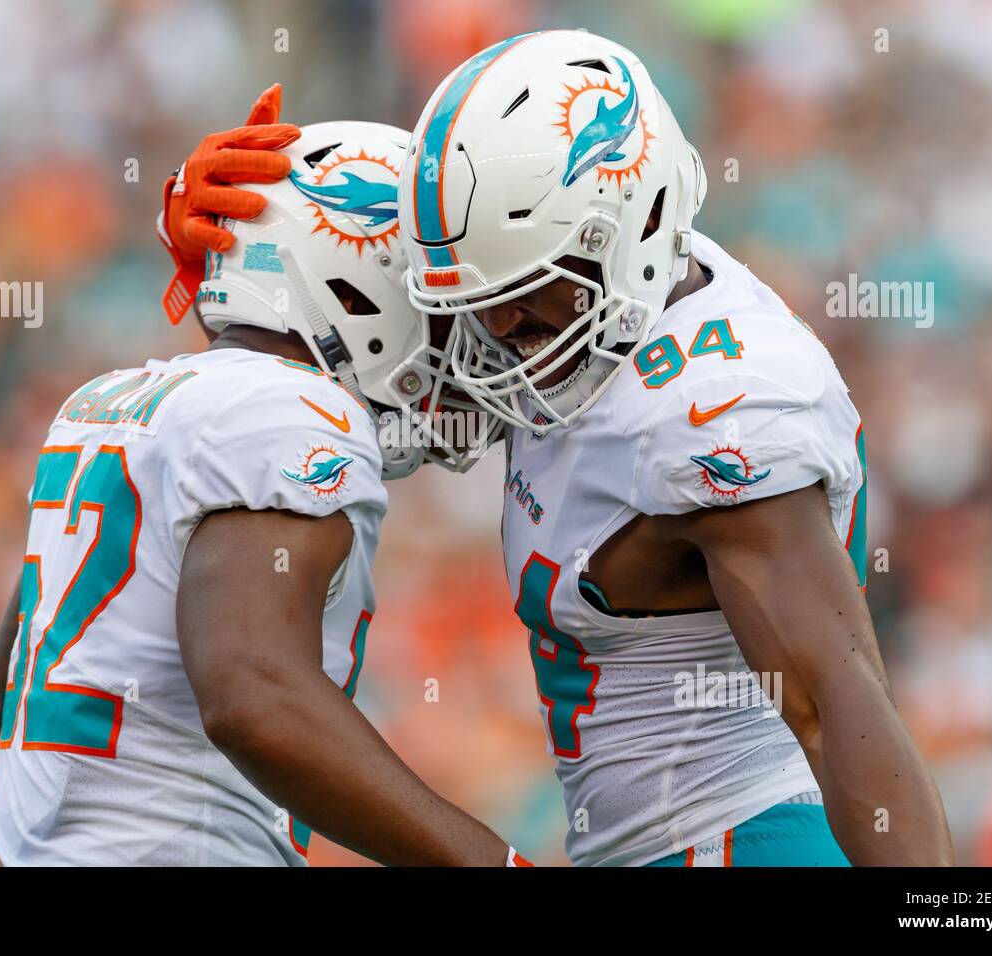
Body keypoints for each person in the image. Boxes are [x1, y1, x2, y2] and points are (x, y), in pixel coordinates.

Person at [400, 29, 953, 866]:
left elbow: (834, 699)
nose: (498, 328)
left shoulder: (713, 407)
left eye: (523, 292)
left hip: (742, 843)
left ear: (629, 232)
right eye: (479, 298)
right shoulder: (598, 299)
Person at [0, 98, 527, 867]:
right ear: (357, 285)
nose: (459, 336)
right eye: (435, 302)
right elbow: (254, 699)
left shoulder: (103, 402)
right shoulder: (291, 410)